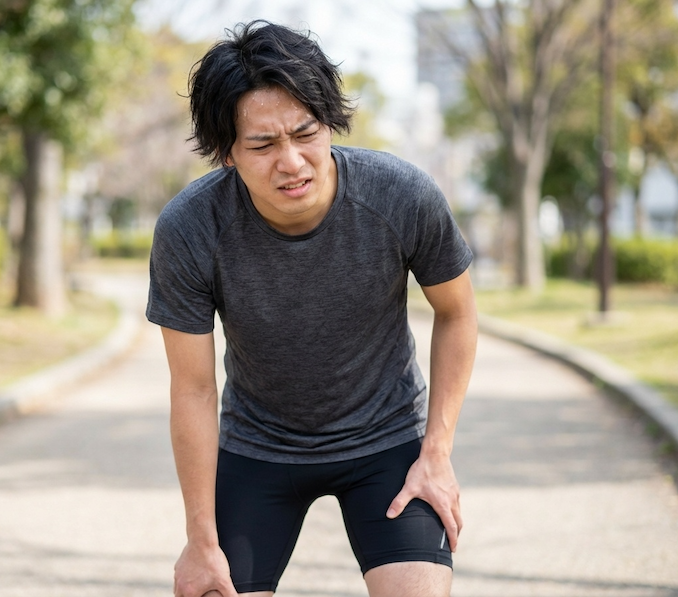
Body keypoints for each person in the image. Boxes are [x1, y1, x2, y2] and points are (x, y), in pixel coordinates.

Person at [147, 20, 478, 597]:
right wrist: (201, 538)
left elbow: (457, 312)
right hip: (259, 447)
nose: (293, 161)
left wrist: (437, 453)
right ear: (225, 152)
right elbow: (194, 389)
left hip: (388, 441)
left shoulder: (400, 195)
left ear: (329, 122)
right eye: (263, 144)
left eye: (306, 133)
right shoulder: (191, 228)